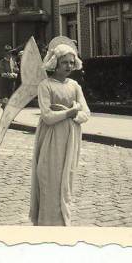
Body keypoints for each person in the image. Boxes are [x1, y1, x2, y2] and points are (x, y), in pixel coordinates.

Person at [30, 41, 90, 226]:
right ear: (55, 63)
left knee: (67, 176)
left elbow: (86, 113)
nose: (69, 66)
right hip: (51, 137)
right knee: (50, 175)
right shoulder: (45, 85)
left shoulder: (75, 86)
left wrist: (78, 112)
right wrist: (70, 112)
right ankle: (48, 221)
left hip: (71, 137)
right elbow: (47, 116)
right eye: (65, 62)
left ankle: (64, 220)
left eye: (72, 62)